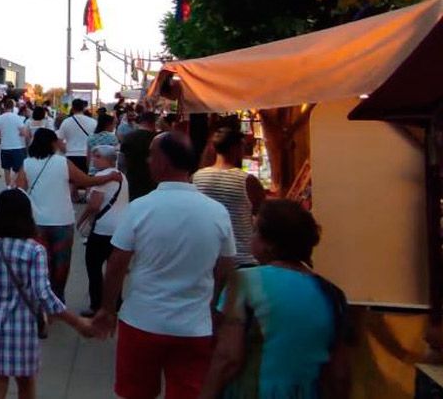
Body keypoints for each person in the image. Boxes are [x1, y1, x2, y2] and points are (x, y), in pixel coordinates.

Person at [93, 132, 237, 399]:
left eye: (151, 155)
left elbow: (115, 264)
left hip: (142, 321)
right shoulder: (216, 212)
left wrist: (107, 308)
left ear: (163, 162)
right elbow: (226, 266)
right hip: (194, 326)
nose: (147, 161)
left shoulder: (141, 208)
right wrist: (213, 306)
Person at [199, 200, 350, 399]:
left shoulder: (244, 282)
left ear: (269, 243)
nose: (250, 237)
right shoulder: (332, 294)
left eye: (255, 231)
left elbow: (228, 358)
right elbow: (338, 373)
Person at [0, 190, 97, 399]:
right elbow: (44, 295)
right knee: (26, 382)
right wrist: (77, 322)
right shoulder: (34, 251)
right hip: (22, 330)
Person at [17, 128, 120, 303]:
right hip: (62, 221)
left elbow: (19, 192)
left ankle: (42, 296)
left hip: (36, 223)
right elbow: (85, 181)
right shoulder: (62, 163)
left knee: (41, 263)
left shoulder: (26, 164)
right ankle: (58, 298)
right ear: (52, 143)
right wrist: (108, 177)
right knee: (61, 263)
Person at [193, 127, 267, 267]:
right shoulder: (247, 181)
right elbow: (263, 216)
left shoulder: (197, 178)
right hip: (241, 258)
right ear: (236, 148)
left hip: (207, 259)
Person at [76, 144, 129, 316]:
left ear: (108, 159)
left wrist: (82, 220)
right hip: (120, 228)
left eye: (97, 156)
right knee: (114, 268)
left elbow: (94, 205)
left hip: (102, 229)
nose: (93, 159)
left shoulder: (102, 176)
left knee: (94, 266)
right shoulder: (121, 176)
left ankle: (97, 303)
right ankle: (116, 300)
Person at [119, 111, 159, 200]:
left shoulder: (128, 137)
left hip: (132, 179)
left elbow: (121, 162)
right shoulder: (157, 138)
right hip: (152, 180)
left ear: (140, 122)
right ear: (153, 123)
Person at [0, 98, 29, 187]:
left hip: (4, 147)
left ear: (4, 107)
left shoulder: (0, 118)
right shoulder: (17, 118)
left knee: (6, 170)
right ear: (13, 107)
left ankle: (8, 187)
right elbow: (23, 132)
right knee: (19, 169)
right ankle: (16, 186)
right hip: (17, 147)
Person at [56, 98, 97, 174]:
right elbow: (96, 139)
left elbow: (59, 140)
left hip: (71, 156)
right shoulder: (93, 122)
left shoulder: (66, 122)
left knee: (72, 182)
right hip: (88, 156)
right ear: (84, 108)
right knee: (87, 181)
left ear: (72, 108)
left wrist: (66, 150)